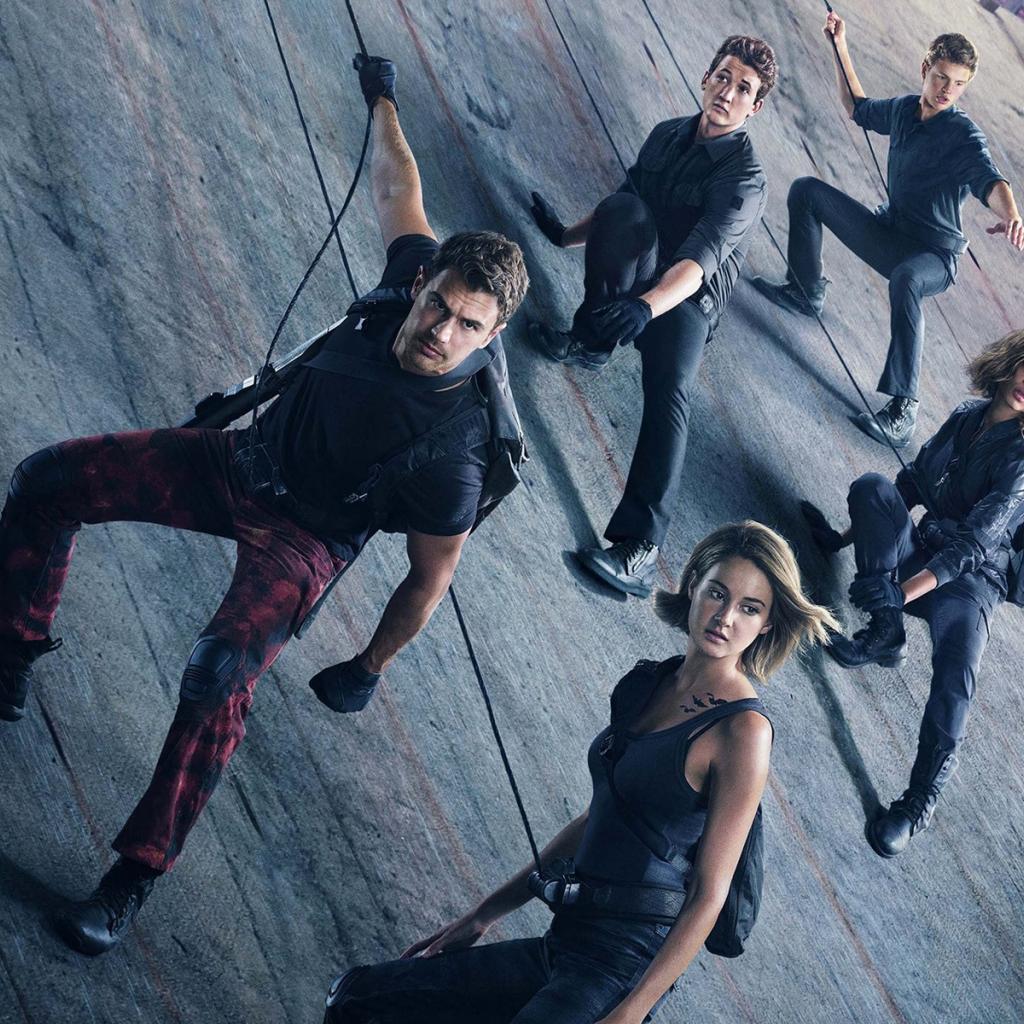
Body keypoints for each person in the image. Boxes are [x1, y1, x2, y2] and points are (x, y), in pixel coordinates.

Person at [0, 54, 528, 954]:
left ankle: (133, 878)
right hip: (241, 463)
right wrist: (382, 98)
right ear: (425, 281)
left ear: (493, 333)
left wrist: (369, 665)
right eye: (438, 305)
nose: (440, 331)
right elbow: (397, 184)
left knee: (218, 674)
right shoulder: (413, 272)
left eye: (467, 325)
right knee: (47, 481)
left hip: (307, 540)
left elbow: (429, 579)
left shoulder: (458, 453)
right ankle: (12, 649)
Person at [322, 522, 837, 1024]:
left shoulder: (743, 732)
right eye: (717, 593)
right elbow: (597, 819)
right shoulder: (649, 683)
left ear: (767, 624)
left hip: (621, 969)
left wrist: (631, 1012)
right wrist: (482, 915)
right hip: (564, 941)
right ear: (694, 584)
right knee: (356, 999)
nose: (725, 617)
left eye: (749, 608)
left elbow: (708, 894)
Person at [528, 36, 775, 599]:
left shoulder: (745, 180)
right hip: (646, 269)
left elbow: (698, 262)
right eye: (723, 77)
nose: (728, 93)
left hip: (688, 298)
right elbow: (621, 208)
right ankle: (591, 342)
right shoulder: (667, 134)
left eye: (744, 89)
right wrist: (563, 235)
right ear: (707, 77)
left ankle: (640, 548)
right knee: (624, 211)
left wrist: (645, 307)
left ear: (755, 107)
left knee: (669, 390)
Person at [752, 11, 1022, 449]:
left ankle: (903, 410)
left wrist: (1011, 214)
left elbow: (991, 181)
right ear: (925, 68)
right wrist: (840, 45)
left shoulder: (963, 136)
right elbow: (856, 107)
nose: (946, 90)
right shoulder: (902, 110)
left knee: (907, 279)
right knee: (807, 192)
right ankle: (805, 290)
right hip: (890, 233)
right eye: (941, 77)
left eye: (958, 84)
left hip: (932, 256)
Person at [804, 329, 1024, 857]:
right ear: (1012, 360)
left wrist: (899, 592)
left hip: (972, 583)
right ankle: (886, 634)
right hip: (923, 550)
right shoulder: (967, 415)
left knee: (957, 674)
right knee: (872, 486)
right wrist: (842, 539)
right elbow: (909, 488)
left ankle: (918, 802)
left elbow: (973, 546)